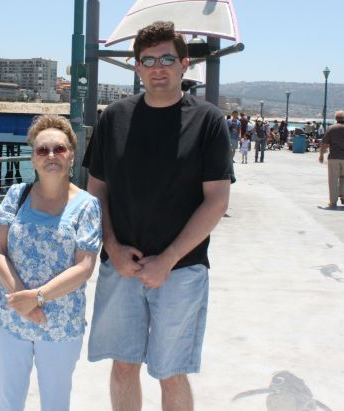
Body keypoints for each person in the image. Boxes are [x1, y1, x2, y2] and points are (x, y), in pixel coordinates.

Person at [83, 21, 234, 411]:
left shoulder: (208, 121)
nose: (157, 67)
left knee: (171, 372)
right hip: (120, 267)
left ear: (184, 65)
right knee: (122, 367)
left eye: (167, 58)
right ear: (137, 68)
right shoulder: (113, 117)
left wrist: (167, 260)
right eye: (147, 60)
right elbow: (96, 190)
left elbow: (216, 201)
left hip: (181, 271)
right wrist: (112, 247)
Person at [0, 114, 102, 411]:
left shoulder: (87, 205)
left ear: (72, 156)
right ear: (34, 159)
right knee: (8, 401)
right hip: (10, 319)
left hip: (61, 325)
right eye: (42, 150)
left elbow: (84, 267)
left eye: (59, 149)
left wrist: (37, 298)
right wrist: (22, 298)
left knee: (55, 403)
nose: (51, 156)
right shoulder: (16, 195)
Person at [319, 110, 344, 207]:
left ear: (336, 119)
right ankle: (342, 195)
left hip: (334, 157)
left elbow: (325, 144)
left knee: (333, 179)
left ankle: (333, 201)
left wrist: (321, 154)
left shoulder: (331, 128)